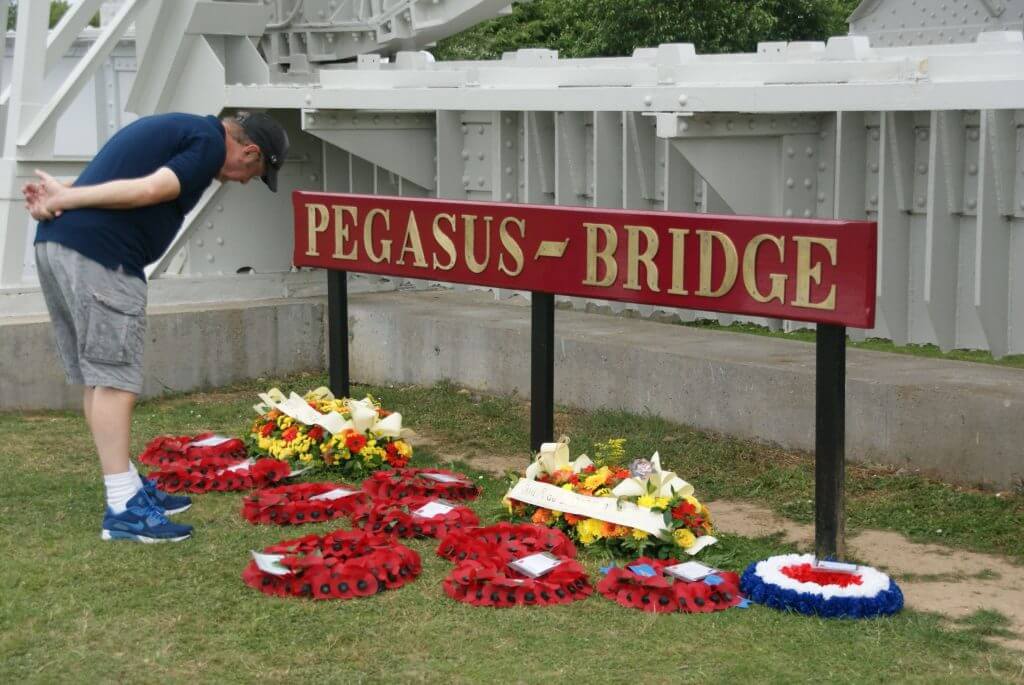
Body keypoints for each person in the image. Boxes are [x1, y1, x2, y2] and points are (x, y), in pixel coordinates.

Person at [22, 111, 289, 543]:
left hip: (60, 248)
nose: (243, 181)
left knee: (98, 377)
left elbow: (123, 174)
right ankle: (123, 507)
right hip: (101, 257)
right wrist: (64, 199)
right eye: (254, 173)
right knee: (114, 379)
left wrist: (64, 193)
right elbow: (150, 188)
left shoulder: (184, 128)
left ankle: (125, 483)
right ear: (249, 150)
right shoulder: (206, 142)